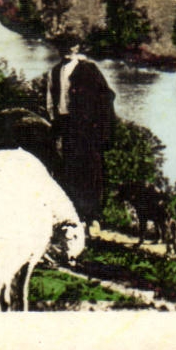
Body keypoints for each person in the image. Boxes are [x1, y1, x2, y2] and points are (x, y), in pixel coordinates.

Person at [44, 43, 116, 229]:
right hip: (67, 125)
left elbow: (105, 97)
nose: (67, 50)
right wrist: (56, 125)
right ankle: (76, 215)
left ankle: (93, 216)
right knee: (70, 169)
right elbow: (51, 102)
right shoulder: (54, 72)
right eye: (64, 45)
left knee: (91, 170)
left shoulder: (88, 70)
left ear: (76, 48)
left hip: (88, 127)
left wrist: (101, 128)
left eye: (71, 45)